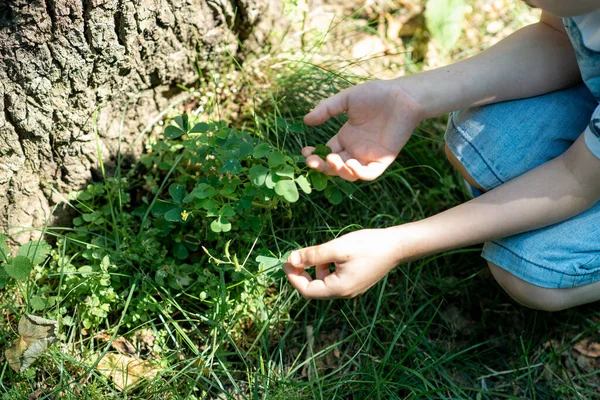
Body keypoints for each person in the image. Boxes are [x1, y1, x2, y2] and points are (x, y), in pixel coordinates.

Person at [282, 0, 600, 311]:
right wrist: (407, 97)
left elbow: (576, 178)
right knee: (476, 145)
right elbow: (557, 36)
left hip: (583, 174)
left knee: (531, 270)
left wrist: (396, 245)